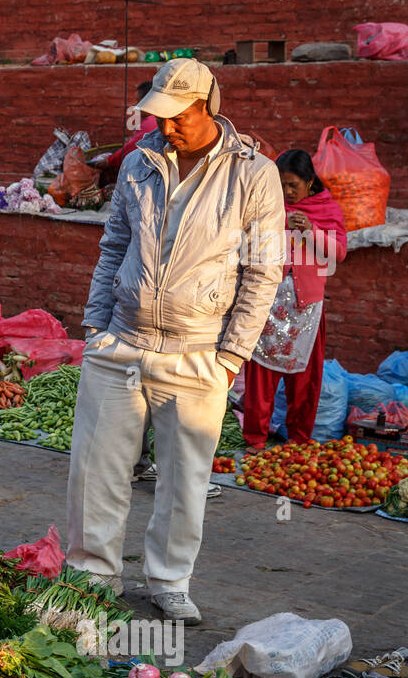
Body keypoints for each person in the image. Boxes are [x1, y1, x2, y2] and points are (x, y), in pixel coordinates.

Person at [65, 58, 284, 625]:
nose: (164, 127)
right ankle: (92, 575)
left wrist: (232, 355)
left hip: (197, 350)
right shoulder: (140, 163)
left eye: (176, 116)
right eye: (157, 116)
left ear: (207, 106)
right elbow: (113, 246)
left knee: (185, 480)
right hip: (121, 342)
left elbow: (263, 272)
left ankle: (169, 580)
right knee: (96, 469)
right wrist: (95, 326)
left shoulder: (253, 173)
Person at [241, 149, 347, 448]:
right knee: (260, 377)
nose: (286, 192)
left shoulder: (327, 210)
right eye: (281, 185)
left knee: (304, 380)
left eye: (293, 186)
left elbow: (338, 254)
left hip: (306, 309)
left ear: (310, 182)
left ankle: (298, 442)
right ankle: (254, 441)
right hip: (268, 305)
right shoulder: (267, 206)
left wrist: (310, 231)